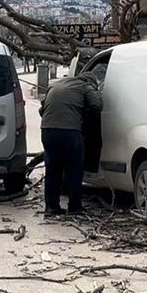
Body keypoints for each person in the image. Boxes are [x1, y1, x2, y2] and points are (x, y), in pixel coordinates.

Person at [39, 69, 103, 215]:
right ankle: (75, 207)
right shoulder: (85, 86)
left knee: (52, 170)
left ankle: (51, 207)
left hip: (47, 131)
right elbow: (98, 105)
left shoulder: (55, 85)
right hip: (70, 132)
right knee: (74, 169)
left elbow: (41, 110)